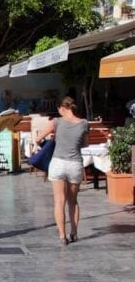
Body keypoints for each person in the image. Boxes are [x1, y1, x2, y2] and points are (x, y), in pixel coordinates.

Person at [34, 96, 89, 246]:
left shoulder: (56, 122)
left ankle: (62, 236)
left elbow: (38, 138)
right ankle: (74, 233)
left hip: (58, 163)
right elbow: (84, 144)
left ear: (63, 108)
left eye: (59, 109)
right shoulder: (84, 123)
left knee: (59, 201)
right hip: (75, 164)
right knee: (73, 201)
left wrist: (54, 139)